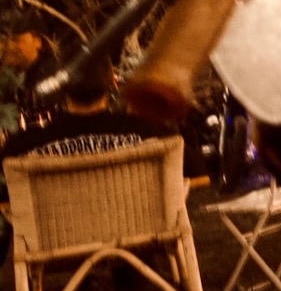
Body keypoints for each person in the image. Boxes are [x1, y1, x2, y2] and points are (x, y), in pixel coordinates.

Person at [0, 53, 171, 206]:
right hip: (138, 231)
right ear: (113, 82)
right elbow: (186, 178)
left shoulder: (21, 148)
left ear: (59, 87)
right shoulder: (152, 133)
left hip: (59, 233)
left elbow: (8, 201)